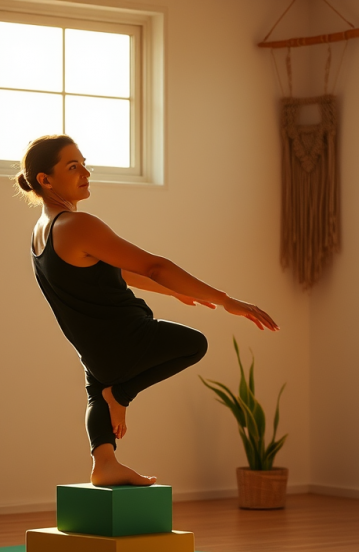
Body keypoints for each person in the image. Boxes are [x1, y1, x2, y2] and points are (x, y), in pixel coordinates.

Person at [16, 134, 279, 487]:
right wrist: (225, 300)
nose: (86, 173)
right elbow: (154, 266)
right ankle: (121, 395)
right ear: (45, 180)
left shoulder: (41, 233)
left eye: (84, 164)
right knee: (194, 344)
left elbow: (116, 271)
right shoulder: (76, 225)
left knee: (98, 393)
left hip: (95, 349)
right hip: (126, 335)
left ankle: (104, 463)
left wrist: (174, 292)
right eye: (73, 167)